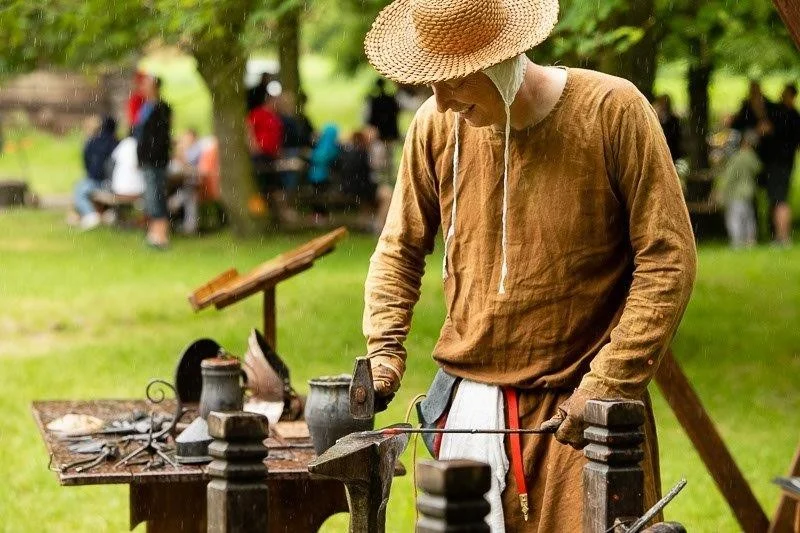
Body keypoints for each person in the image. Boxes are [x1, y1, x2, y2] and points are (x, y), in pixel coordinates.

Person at [360, 1, 697, 530]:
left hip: (583, 415)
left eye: (455, 81)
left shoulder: (612, 111)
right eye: (431, 83)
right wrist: (383, 353)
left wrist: (608, 383)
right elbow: (398, 249)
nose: (441, 101)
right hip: (472, 410)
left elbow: (668, 257)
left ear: (502, 59)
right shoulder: (435, 127)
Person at [135, 75, 172, 249]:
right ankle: (153, 233)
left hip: (156, 160)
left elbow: (161, 137)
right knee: (150, 197)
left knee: (157, 196)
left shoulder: (161, 108)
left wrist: (152, 155)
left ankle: (161, 235)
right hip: (146, 160)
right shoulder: (146, 107)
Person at [762, 84, 799, 246]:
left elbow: (768, 128)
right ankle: (779, 236)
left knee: (780, 200)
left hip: (780, 164)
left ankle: (782, 237)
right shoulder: (793, 115)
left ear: (790, 96)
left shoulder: (787, 116)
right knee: (777, 199)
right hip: (784, 163)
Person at [716, 130, 761, 248]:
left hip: (736, 193)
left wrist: (721, 190)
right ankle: (750, 240)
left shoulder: (737, 158)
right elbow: (758, 169)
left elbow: (729, 176)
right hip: (748, 192)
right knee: (749, 218)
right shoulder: (752, 157)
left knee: (735, 218)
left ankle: (737, 241)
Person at [72, 116, 118, 230]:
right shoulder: (117, 143)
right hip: (115, 183)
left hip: (97, 181)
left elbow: (87, 163)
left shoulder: (92, 142)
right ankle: (104, 214)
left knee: (79, 189)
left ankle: (90, 214)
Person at [652, 94, 683, 161]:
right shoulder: (655, 118)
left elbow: (675, 137)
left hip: (671, 152)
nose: (663, 106)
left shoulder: (673, 120)